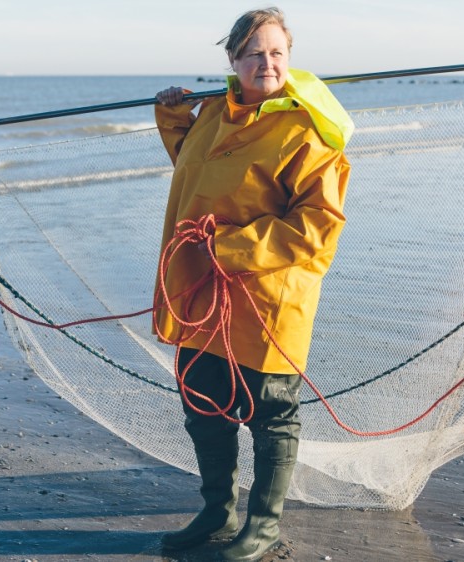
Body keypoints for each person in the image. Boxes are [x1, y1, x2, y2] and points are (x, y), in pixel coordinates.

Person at [152, 7, 352, 562]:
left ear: (290, 58)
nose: (267, 63)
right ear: (233, 60)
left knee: (271, 413)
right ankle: (218, 511)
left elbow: (318, 226)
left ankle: (262, 528)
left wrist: (228, 249)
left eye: (277, 53)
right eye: (255, 53)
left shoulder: (308, 130)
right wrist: (172, 116)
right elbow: (193, 168)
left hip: (269, 297)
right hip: (201, 292)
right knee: (203, 403)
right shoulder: (214, 114)